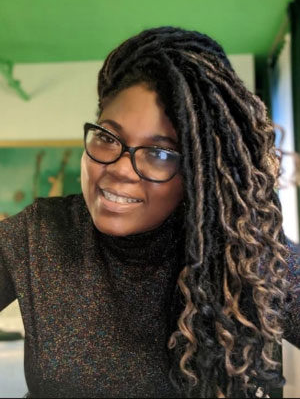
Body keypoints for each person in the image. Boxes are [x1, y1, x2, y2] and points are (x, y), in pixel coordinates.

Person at [0, 26, 299, 399]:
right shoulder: (40, 234)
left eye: (159, 153)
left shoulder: (242, 253)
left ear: (196, 173)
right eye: (108, 138)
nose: (120, 169)